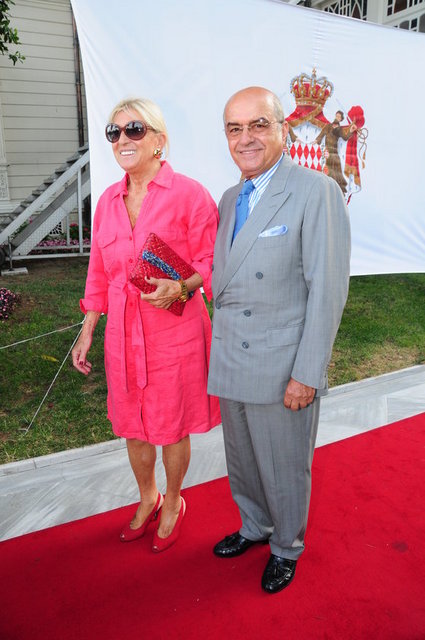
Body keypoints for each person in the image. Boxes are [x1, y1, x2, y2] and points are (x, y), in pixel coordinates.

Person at [208, 87, 350, 593]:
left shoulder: (315, 191)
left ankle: (286, 546)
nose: (246, 138)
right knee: (243, 461)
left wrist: (307, 374)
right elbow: (226, 279)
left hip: (281, 366)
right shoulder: (230, 199)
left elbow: (327, 290)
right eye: (235, 128)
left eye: (258, 125)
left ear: (283, 130)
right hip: (233, 356)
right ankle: (254, 526)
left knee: (284, 467)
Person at [72, 97, 220, 553]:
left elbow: (212, 261)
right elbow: (98, 272)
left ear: (159, 140)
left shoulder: (190, 194)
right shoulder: (107, 203)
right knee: (132, 425)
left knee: (171, 425)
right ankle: (147, 496)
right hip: (122, 333)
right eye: (114, 132)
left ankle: (173, 500)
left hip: (174, 331)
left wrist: (182, 286)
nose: (123, 139)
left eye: (134, 129)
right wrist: (88, 328)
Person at [314, 110, 357, 195]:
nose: (337, 118)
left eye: (339, 117)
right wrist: (316, 140)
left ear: (341, 119)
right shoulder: (328, 126)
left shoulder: (339, 129)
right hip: (327, 151)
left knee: (336, 168)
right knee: (328, 168)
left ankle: (337, 188)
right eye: (336, 116)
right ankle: (327, 186)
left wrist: (351, 130)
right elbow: (322, 134)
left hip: (334, 151)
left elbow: (345, 137)